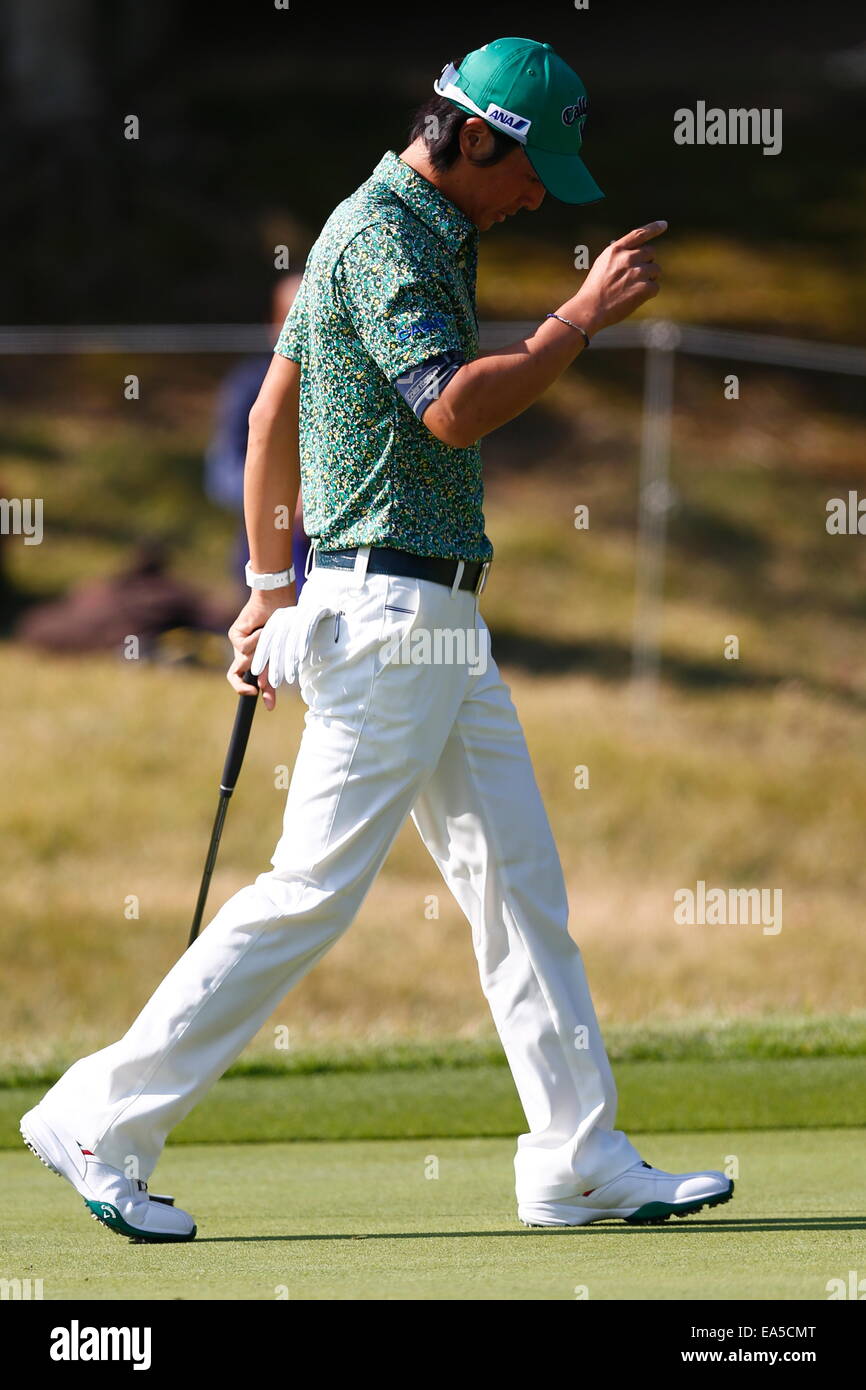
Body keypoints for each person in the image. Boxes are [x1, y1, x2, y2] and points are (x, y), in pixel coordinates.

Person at [22, 37, 733, 1241]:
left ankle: (575, 1158)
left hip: (434, 618)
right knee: (307, 893)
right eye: (525, 173)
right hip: (392, 619)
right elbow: (451, 409)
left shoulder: (395, 226)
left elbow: (269, 415)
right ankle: (103, 1112)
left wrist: (260, 588)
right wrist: (575, 320)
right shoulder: (389, 234)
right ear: (468, 137)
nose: (532, 198)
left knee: (518, 892)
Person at [205, 274, 310, 596]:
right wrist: (283, 502)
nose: (305, 336)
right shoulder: (249, 384)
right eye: (293, 322)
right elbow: (223, 473)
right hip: (270, 556)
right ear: (273, 325)